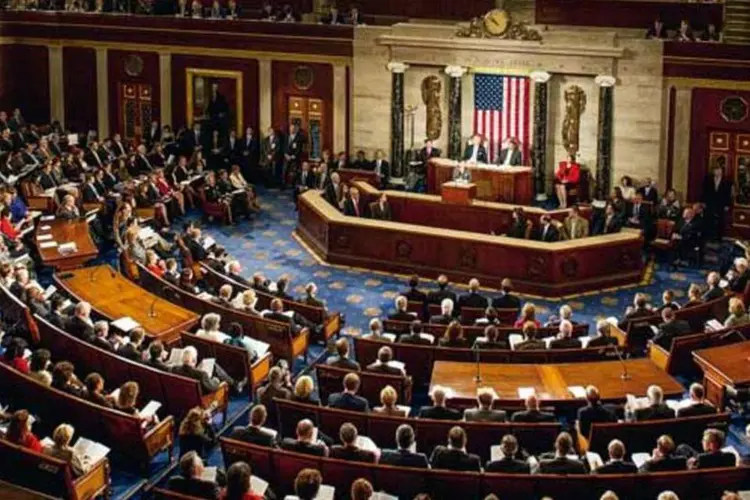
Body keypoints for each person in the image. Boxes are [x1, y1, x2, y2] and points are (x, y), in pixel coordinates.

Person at [702, 165, 732, 241]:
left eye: (719, 170)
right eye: (715, 170)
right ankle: (709, 237)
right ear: (713, 171)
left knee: (720, 221)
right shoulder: (708, 179)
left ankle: (719, 237)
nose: (717, 172)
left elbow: (729, 194)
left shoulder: (727, 181)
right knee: (709, 220)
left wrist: (727, 205)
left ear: (722, 171)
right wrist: (703, 202)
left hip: (721, 204)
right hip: (710, 203)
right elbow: (704, 192)